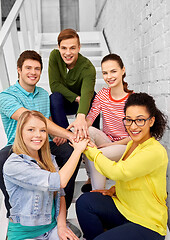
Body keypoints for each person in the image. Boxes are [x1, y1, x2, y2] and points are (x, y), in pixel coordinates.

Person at [0, 50, 81, 236]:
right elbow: (34, 120)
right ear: (19, 70)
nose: (33, 72)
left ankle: (60, 215)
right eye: (28, 68)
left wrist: (57, 135)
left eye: (37, 69)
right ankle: (16, 215)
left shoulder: (43, 94)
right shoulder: (6, 96)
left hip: (43, 142)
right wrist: (69, 134)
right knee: (2, 158)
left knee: (69, 154)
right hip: (16, 145)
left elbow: (47, 121)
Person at [76, 92, 168, 240]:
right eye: (128, 120)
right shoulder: (133, 143)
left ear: (151, 121)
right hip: (124, 209)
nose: (132, 126)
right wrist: (114, 190)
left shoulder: (155, 151)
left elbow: (119, 172)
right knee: (85, 202)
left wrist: (90, 150)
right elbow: (137, 180)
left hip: (147, 224)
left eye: (140, 120)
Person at [3, 110, 89, 240]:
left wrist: (61, 226)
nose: (38, 135)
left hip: (51, 227)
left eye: (43, 130)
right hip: (25, 235)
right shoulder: (13, 165)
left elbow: (60, 194)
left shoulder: (49, 159)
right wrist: (78, 150)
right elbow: (59, 182)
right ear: (20, 132)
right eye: (31, 130)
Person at [82, 53, 133, 191]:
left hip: (125, 145)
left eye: (113, 71)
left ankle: (97, 191)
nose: (109, 76)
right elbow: (91, 118)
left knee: (95, 156)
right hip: (107, 141)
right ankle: (91, 177)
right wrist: (78, 128)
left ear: (123, 70)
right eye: (105, 73)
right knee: (86, 131)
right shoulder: (102, 94)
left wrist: (113, 144)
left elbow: (135, 136)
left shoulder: (132, 100)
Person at [48, 28, 100, 141]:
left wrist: (81, 116)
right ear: (58, 47)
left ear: (79, 48)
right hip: (65, 102)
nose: (67, 53)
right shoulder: (55, 56)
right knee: (54, 97)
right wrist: (76, 98)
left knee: (94, 97)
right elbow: (54, 85)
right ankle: (65, 136)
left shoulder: (88, 67)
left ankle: (91, 137)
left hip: (83, 103)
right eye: (64, 48)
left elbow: (87, 94)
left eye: (72, 48)